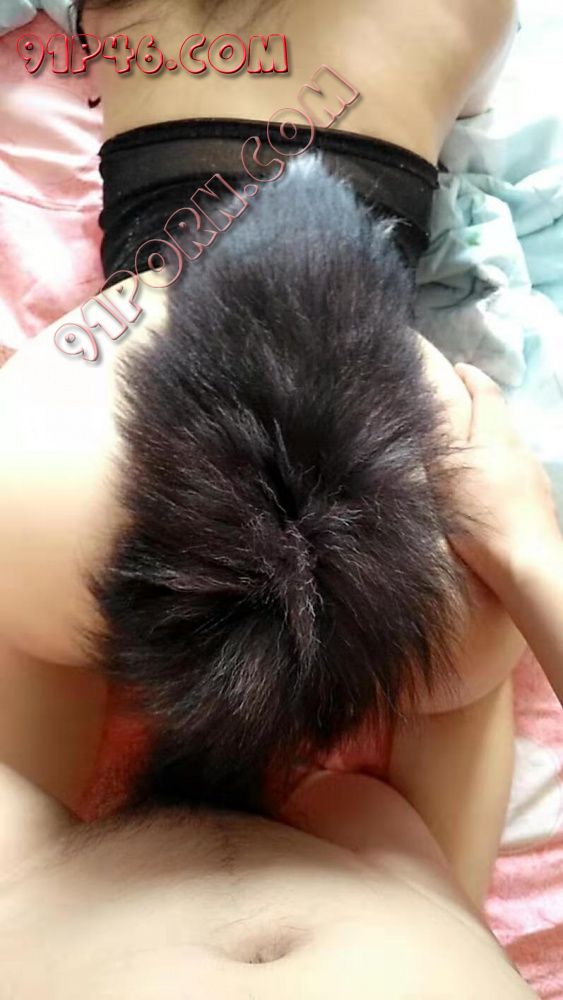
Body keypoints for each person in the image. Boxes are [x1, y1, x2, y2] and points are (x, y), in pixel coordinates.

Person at [0, 0, 525, 809]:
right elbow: (473, 128)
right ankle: (440, 880)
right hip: (389, 472)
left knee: (31, 625)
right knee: (466, 690)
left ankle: (27, 875)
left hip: (104, 414)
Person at [4, 361, 561, 997]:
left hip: (30, 898)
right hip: (418, 891)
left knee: (35, 503)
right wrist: (530, 558)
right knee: (471, 620)